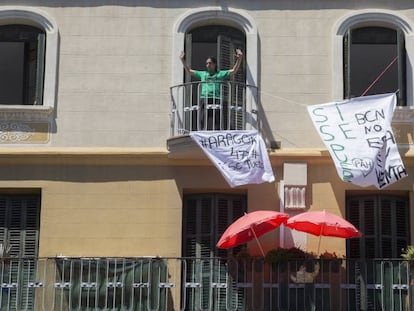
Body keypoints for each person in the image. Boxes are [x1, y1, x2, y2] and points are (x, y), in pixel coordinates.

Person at [179, 49, 243, 130]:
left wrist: (239, 58)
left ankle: (217, 132)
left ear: (215, 64)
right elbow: (189, 71)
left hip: (216, 98)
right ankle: (202, 132)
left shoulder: (219, 74)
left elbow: (234, 71)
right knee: (203, 117)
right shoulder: (203, 74)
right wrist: (182, 60)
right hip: (204, 97)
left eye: (210, 63)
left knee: (217, 118)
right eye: (207, 63)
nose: (208, 65)